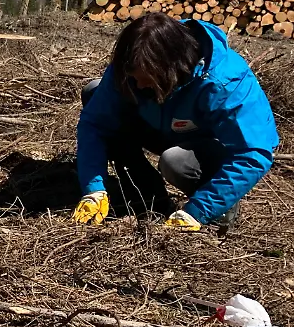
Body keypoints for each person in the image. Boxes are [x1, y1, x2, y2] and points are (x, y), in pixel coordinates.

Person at [74, 13, 278, 231]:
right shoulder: (133, 63)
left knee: (176, 162)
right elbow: (95, 123)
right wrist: (93, 188)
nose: (139, 86)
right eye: (134, 78)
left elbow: (253, 153)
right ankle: (147, 191)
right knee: (94, 91)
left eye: (146, 79)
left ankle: (217, 203)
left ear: (171, 69)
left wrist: (197, 211)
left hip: (205, 145)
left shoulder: (225, 80)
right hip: (161, 124)